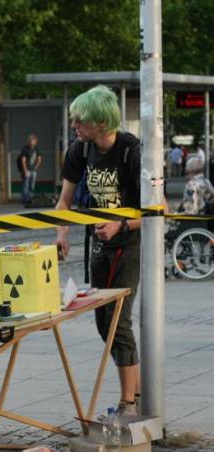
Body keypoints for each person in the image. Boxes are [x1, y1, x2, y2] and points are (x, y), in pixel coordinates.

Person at [54, 85, 144, 416]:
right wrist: (61, 233)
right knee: (103, 323)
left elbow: (155, 210)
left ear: (101, 121)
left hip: (127, 244)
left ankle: (128, 402)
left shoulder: (131, 150)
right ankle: (137, 387)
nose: (74, 126)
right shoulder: (80, 149)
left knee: (118, 321)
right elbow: (64, 201)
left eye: (80, 120)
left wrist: (120, 225)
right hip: (98, 245)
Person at [18, 134, 42, 206]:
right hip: (27, 170)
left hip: (33, 170)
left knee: (32, 185)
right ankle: (24, 200)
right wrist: (25, 170)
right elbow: (23, 160)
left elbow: (39, 158)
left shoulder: (36, 149)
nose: (31, 142)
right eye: (30, 140)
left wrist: (36, 167)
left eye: (33, 140)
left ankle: (30, 199)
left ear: (35, 141)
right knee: (26, 185)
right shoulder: (25, 149)